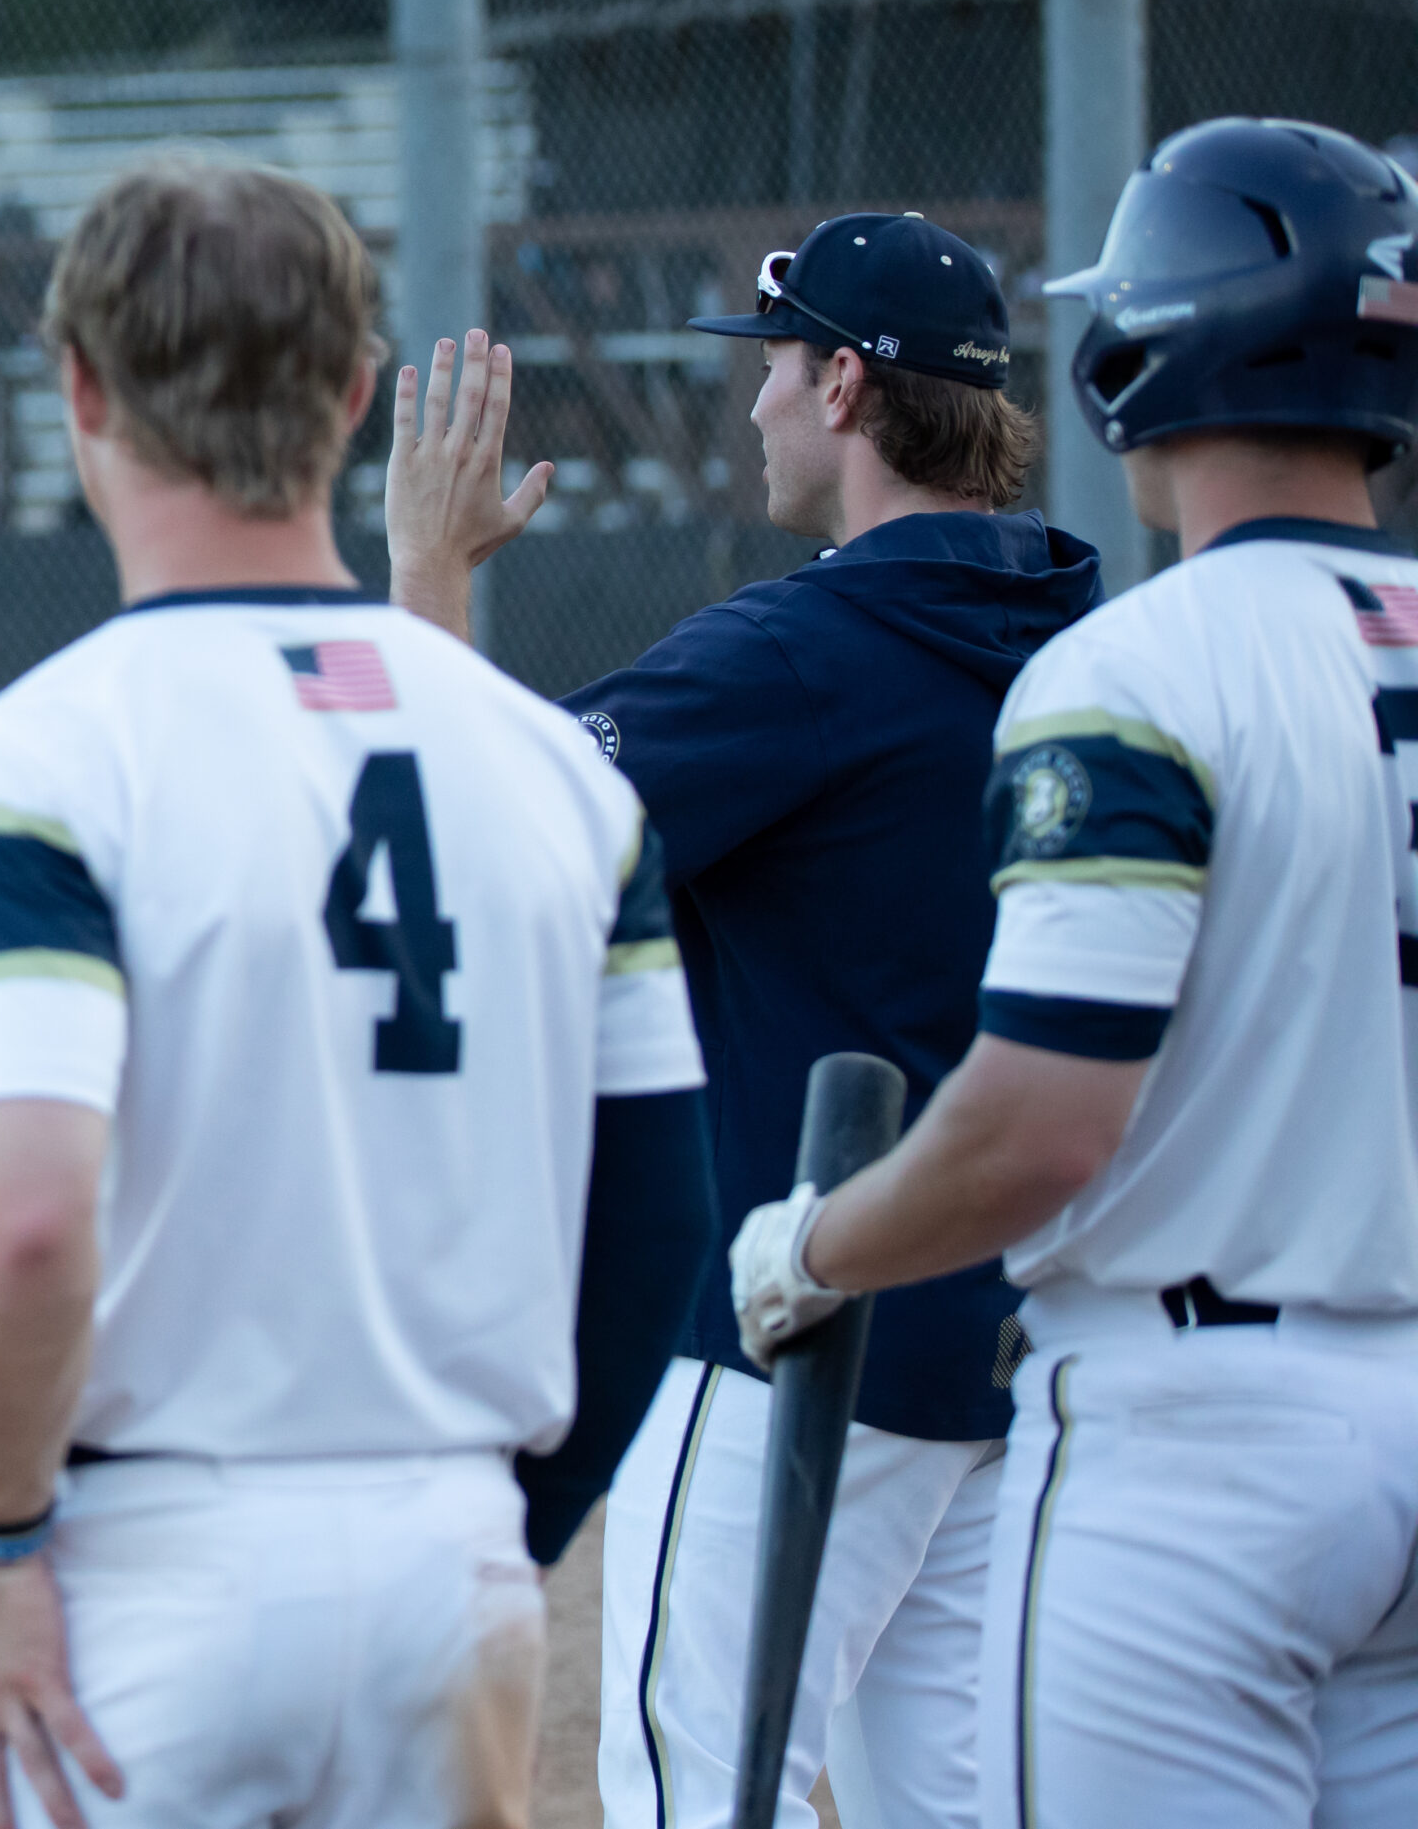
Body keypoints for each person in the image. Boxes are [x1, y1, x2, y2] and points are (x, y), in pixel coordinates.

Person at [0, 151, 717, 1829]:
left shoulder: (42, 752)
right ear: (356, 396)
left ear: (78, 388)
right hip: (455, 1555)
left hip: (143, 1572)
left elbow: (29, 1222)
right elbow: (658, 1215)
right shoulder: (559, 769)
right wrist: (500, 1523)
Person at [734, 116, 1418, 1823]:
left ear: (1148, 344)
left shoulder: (1139, 666)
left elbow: (1040, 1127)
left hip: (1199, 1453)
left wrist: (814, 1246)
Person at [388, 217, 1102, 1827]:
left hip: (804, 1329)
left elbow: (485, 847)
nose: (756, 404)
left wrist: (427, 579)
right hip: (1018, 1332)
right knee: (960, 1802)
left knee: (699, 1788)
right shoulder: (1082, 629)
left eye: (772, 366)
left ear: (845, 384)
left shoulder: (804, 648)